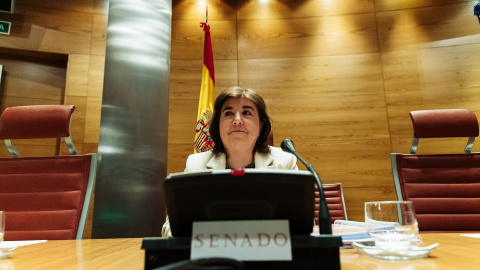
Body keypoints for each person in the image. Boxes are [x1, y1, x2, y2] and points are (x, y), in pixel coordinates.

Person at [161, 86, 298, 237]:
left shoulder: (284, 162)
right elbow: (171, 226)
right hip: (215, 254)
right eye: (229, 113)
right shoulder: (196, 165)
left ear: (261, 125)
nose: (237, 121)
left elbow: (302, 221)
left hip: (270, 253)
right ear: (218, 125)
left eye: (246, 113)